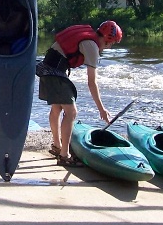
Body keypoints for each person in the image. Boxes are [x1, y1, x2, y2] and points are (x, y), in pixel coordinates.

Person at [37, 21, 123, 167]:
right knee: (71, 112)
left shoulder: (88, 37)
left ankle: (57, 146)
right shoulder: (92, 47)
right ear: (108, 40)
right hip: (54, 71)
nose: (109, 47)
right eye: (111, 44)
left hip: (48, 66)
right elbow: (92, 82)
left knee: (57, 108)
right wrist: (101, 109)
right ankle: (65, 155)